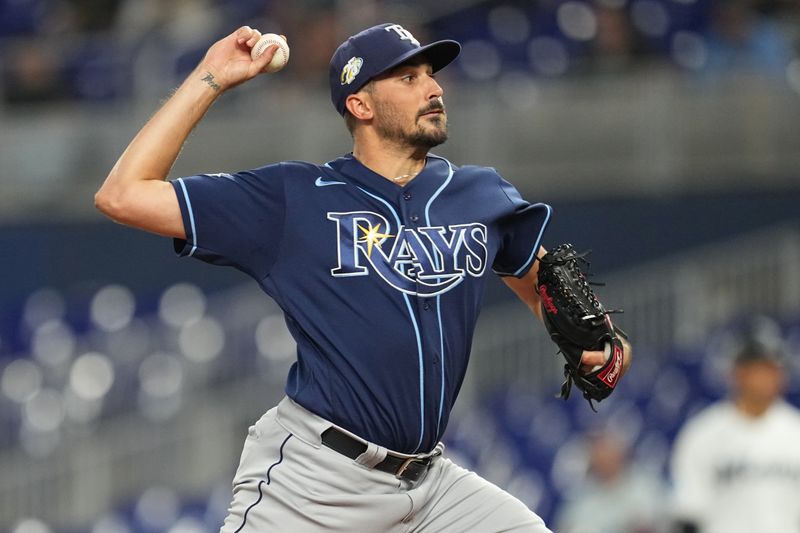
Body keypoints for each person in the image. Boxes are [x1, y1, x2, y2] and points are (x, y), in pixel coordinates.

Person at [95, 22, 632, 532]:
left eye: (431, 74)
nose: (433, 88)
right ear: (360, 104)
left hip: (430, 486)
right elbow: (122, 194)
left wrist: (602, 346)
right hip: (317, 480)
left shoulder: (481, 195)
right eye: (408, 78)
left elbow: (550, 294)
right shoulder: (293, 200)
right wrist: (210, 77)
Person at [670, 326, 800, 533]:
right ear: (737, 373)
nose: (768, 377)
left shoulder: (796, 431)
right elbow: (688, 513)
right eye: (759, 368)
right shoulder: (703, 433)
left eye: (773, 368)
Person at [554, 431, 667, 533]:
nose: (604, 458)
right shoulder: (580, 502)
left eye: (607, 449)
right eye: (597, 452)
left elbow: (671, 514)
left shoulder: (646, 483)